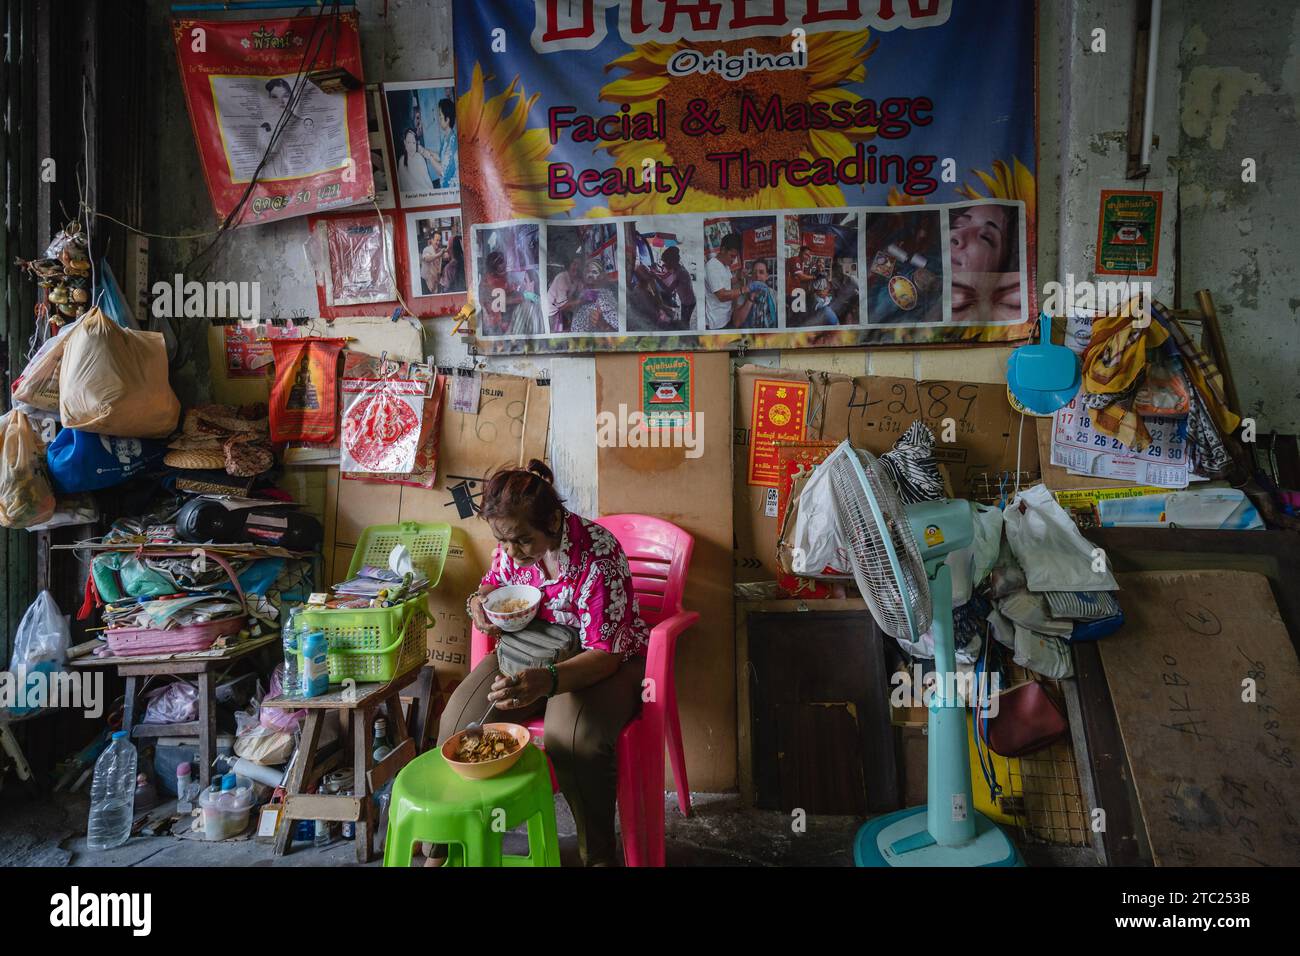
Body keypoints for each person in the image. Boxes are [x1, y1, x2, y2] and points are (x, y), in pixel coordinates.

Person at [440, 460, 650, 867]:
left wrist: (548, 682)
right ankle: (449, 848)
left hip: (602, 659)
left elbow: (606, 653)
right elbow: (494, 581)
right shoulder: (513, 547)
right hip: (532, 649)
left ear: (553, 520)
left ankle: (599, 857)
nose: (512, 552)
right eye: (503, 541)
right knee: (457, 729)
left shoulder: (597, 556)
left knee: (574, 741)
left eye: (521, 541)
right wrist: (478, 602)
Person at [704, 232, 744, 330]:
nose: (733, 260)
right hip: (716, 323)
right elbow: (721, 296)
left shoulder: (725, 265)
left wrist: (739, 277)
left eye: (735, 257)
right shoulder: (712, 267)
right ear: (722, 250)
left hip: (726, 317)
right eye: (732, 256)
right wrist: (744, 289)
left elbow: (729, 282)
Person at [546, 252, 587, 333]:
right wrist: (579, 302)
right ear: (569, 265)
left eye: (579, 265)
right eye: (574, 264)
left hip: (561, 309)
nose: (576, 267)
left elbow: (582, 290)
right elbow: (562, 306)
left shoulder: (576, 279)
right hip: (551, 312)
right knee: (556, 334)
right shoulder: (562, 278)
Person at [425, 97, 458, 189]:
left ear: (447, 120)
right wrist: (427, 151)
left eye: (440, 116)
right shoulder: (446, 138)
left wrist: (429, 157)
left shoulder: (453, 142)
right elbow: (441, 157)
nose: (439, 119)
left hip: (450, 188)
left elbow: (443, 172)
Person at [396, 127, 437, 196]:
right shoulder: (401, 160)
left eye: (413, 143)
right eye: (408, 142)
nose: (411, 146)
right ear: (404, 143)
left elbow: (427, 181)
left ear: (417, 143)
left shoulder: (419, 158)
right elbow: (401, 185)